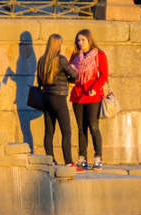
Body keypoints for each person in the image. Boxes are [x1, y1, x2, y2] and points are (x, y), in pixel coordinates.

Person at [37, 33, 80, 169]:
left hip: (46, 98)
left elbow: (39, 81)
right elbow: (74, 75)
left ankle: (50, 161)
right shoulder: (61, 59)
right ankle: (68, 162)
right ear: (58, 45)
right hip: (59, 98)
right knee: (66, 131)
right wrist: (71, 77)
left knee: (49, 132)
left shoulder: (42, 60)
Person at [70, 29, 108, 171]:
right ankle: (82, 158)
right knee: (81, 128)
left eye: (83, 40)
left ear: (89, 40)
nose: (80, 43)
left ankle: (98, 158)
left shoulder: (99, 54)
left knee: (93, 126)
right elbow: (69, 71)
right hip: (77, 95)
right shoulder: (75, 56)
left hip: (93, 95)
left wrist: (94, 87)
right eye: (78, 40)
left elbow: (103, 75)